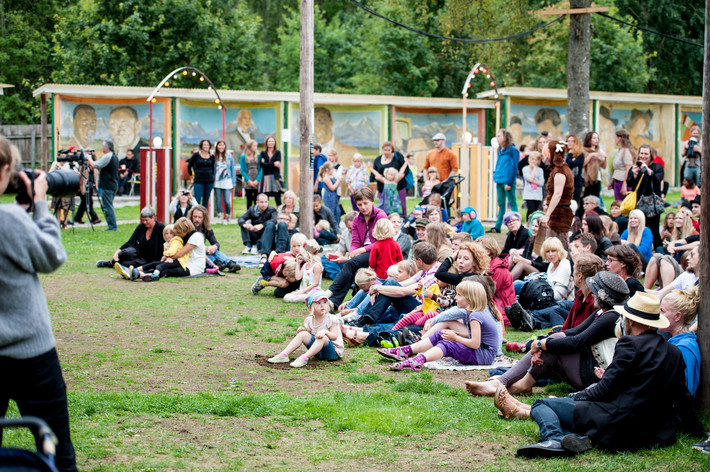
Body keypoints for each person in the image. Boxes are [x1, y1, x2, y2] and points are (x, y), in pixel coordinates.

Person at [514, 291, 701, 458]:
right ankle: (579, 437)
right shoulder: (674, 351)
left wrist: (574, 397)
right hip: (656, 432)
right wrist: (699, 432)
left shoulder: (629, 344)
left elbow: (604, 390)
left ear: (631, 320)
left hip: (620, 425)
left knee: (543, 403)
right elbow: (682, 396)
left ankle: (554, 438)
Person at [0, 136, 78, 472]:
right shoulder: (10, 222)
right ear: (5, 169)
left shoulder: (10, 220)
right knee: (57, 447)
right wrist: (41, 204)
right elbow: (51, 255)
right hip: (31, 353)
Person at [466, 271, 630, 401]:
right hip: (588, 368)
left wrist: (541, 345)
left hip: (596, 377)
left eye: (595, 292)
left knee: (554, 343)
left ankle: (509, 383)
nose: (592, 294)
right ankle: (510, 383)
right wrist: (543, 343)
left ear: (603, 296)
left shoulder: (612, 317)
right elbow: (574, 331)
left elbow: (578, 342)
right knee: (553, 342)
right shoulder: (602, 312)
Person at [377, 280, 499, 371]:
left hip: (482, 356)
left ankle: (417, 361)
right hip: (480, 351)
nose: (455, 298)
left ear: (470, 299)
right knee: (442, 334)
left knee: (448, 344)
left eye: (459, 295)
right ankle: (405, 351)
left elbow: (475, 343)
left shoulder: (475, 316)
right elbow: (472, 336)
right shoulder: (473, 313)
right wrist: (456, 334)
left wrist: (455, 338)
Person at [323, 187, 387, 307]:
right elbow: (355, 241)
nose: (363, 207)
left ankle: (330, 292)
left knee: (351, 264)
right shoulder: (357, 219)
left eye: (366, 203)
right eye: (360, 204)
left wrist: (361, 250)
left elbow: (383, 240)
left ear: (372, 201)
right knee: (351, 265)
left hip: (379, 251)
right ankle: (334, 303)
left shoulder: (380, 215)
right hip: (363, 253)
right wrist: (352, 253)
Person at [267, 289, 344, 368]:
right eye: (318, 303)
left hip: (332, 353)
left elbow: (334, 336)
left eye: (325, 302)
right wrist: (304, 332)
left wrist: (325, 332)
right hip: (317, 352)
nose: (322, 305)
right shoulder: (309, 320)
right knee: (303, 334)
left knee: (323, 337)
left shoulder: (331, 319)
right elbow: (311, 337)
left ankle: (304, 358)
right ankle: (283, 355)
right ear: (310, 307)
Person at [121, 218, 194, 281]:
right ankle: (136, 270)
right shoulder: (168, 243)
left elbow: (172, 251)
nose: (168, 235)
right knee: (154, 264)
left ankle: (149, 274)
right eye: (166, 234)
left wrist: (165, 255)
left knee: (160, 267)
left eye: (171, 233)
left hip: (178, 261)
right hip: (172, 259)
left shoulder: (176, 241)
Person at [660, 286, 700, 396]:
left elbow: (684, 389)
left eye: (662, 311)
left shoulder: (684, 348)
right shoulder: (679, 342)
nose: (658, 315)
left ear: (677, 316)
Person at [96, 206, 165, 268]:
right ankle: (111, 262)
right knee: (124, 253)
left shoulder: (160, 228)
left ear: (153, 218)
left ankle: (112, 264)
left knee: (126, 264)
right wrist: (117, 252)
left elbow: (166, 244)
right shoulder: (141, 227)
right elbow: (131, 242)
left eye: (146, 220)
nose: (144, 222)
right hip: (138, 252)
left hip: (150, 258)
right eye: (143, 220)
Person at [626, 143, 664, 248]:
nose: (643, 156)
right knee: (638, 228)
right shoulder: (635, 168)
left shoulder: (657, 166)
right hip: (639, 203)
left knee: (654, 230)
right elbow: (629, 183)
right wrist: (633, 174)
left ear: (651, 155)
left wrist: (648, 170)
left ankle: (660, 252)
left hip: (652, 204)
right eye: (641, 153)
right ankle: (638, 248)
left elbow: (658, 179)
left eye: (646, 154)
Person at [540, 139, 574, 251]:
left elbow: (558, 194)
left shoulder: (560, 171)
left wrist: (547, 214)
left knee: (560, 247)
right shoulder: (558, 170)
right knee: (552, 247)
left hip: (559, 215)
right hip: (557, 212)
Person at [188, 205, 240, 272]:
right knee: (204, 252)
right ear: (191, 217)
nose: (197, 219)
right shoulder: (188, 228)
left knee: (214, 250)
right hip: (193, 254)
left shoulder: (206, 228)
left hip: (204, 252)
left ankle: (229, 263)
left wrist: (213, 247)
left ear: (204, 218)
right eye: (195, 217)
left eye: (200, 217)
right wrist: (204, 248)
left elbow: (216, 243)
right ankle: (219, 263)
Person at [491, 129, 520, 233]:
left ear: (505, 137)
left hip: (508, 181)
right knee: (501, 204)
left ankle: (516, 225)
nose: (497, 138)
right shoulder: (500, 150)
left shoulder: (513, 150)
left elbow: (514, 167)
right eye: (497, 136)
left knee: (512, 203)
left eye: (499, 136)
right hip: (499, 180)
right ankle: (498, 226)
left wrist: (509, 182)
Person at [87, 139, 119, 231]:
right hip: (113, 184)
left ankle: (112, 226)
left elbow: (95, 165)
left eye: (102, 146)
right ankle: (112, 225)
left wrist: (89, 157)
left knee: (108, 206)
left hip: (108, 185)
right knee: (109, 205)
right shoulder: (114, 156)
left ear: (107, 147)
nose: (101, 147)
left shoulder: (107, 156)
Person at [370, 141, 408, 216]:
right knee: (383, 207)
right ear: (382, 150)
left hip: (398, 188)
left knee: (400, 207)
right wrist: (384, 181)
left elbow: (404, 171)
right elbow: (375, 174)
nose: (387, 152)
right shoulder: (378, 159)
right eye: (385, 150)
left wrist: (392, 181)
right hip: (383, 189)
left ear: (392, 150)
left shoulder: (398, 157)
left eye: (388, 150)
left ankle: (401, 221)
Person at [187, 139, 215, 208]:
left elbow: (213, 168)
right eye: (204, 145)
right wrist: (191, 177)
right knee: (197, 200)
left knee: (206, 201)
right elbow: (189, 166)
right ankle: (196, 216)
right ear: (201, 146)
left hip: (209, 181)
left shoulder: (212, 156)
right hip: (198, 181)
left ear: (209, 146)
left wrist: (213, 177)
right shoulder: (196, 155)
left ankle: (204, 217)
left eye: (207, 145)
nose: (206, 146)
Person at [213, 139, 236, 223]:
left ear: (225, 146)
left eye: (222, 145)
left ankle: (228, 215)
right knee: (218, 200)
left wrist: (234, 182)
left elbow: (232, 169)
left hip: (227, 181)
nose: (221, 147)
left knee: (227, 200)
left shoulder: (229, 156)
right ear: (217, 146)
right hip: (217, 181)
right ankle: (220, 215)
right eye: (219, 145)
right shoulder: (214, 156)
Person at [609, 129, 635, 201]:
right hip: (617, 181)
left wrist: (625, 185)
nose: (614, 139)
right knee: (618, 204)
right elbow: (617, 169)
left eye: (615, 137)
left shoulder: (626, 151)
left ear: (619, 138)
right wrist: (612, 181)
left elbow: (628, 168)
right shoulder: (620, 150)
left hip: (623, 181)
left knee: (624, 204)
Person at [581, 131, 606, 201]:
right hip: (586, 178)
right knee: (585, 199)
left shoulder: (599, 150)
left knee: (595, 199)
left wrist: (605, 158)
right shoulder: (584, 150)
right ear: (589, 139)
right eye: (594, 138)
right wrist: (591, 155)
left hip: (597, 178)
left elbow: (603, 166)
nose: (596, 140)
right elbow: (582, 164)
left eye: (597, 138)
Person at [258, 136, 283, 205]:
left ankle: (279, 213)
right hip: (266, 177)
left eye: (272, 141)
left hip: (275, 176)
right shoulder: (263, 153)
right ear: (266, 143)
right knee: (266, 196)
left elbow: (278, 163)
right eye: (269, 141)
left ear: (274, 143)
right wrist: (273, 164)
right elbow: (261, 165)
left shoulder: (278, 152)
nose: (271, 143)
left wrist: (267, 164)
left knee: (277, 195)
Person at [239, 139, 262, 208]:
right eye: (254, 146)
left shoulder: (259, 156)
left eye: (256, 146)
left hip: (256, 178)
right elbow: (242, 170)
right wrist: (248, 180)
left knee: (256, 199)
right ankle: (249, 215)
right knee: (249, 199)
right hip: (248, 178)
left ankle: (256, 215)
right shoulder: (243, 157)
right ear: (249, 146)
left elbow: (261, 169)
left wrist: (257, 180)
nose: (256, 147)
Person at [522, 151, 544, 220]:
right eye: (532, 159)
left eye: (536, 160)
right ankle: (529, 223)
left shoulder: (540, 170)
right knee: (531, 210)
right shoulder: (525, 169)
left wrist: (533, 181)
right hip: (529, 194)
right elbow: (529, 179)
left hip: (537, 194)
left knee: (536, 211)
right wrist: (534, 169)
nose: (534, 161)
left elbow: (541, 183)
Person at [565, 134, 585, 206]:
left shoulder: (580, 155)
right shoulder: (565, 154)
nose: (569, 143)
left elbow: (571, 164)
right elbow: (565, 165)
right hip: (565, 182)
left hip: (576, 183)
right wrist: (570, 158)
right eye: (568, 141)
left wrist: (570, 156)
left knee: (574, 204)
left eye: (572, 141)